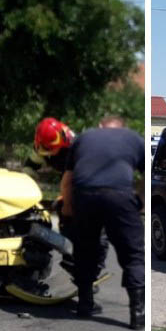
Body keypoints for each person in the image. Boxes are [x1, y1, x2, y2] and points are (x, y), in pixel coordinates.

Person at [63, 115, 145, 330]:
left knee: (84, 249)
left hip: (85, 195)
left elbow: (67, 181)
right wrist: (141, 202)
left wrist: (68, 208)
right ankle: (137, 314)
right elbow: (149, 175)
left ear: (100, 126)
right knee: (133, 254)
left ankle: (84, 305)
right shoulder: (134, 138)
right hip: (120, 195)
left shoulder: (83, 138)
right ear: (122, 127)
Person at [32, 117, 109, 282]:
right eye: (45, 149)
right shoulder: (42, 147)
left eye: (52, 148)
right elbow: (29, 168)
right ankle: (72, 259)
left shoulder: (78, 148)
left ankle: (93, 270)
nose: (49, 152)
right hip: (71, 184)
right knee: (63, 211)